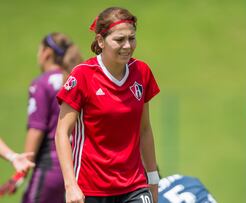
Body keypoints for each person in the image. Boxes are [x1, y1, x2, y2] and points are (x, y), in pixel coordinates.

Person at [55, 7, 160, 203]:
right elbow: (62, 132)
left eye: (132, 38)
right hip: (90, 190)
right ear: (101, 41)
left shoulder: (142, 72)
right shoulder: (82, 75)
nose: (128, 46)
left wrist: (153, 178)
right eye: (120, 40)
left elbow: (144, 129)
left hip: (134, 186)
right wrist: (70, 186)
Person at [21, 32, 83, 203]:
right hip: (78, 169)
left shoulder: (41, 83)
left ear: (46, 53)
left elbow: (36, 129)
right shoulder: (75, 80)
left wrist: (21, 170)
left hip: (49, 169)